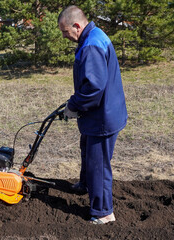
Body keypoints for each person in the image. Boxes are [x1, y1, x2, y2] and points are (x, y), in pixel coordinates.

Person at [58, 5, 128, 225]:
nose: (64, 36)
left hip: (102, 117)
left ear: (77, 26)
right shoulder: (94, 37)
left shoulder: (90, 46)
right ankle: (85, 185)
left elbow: (94, 89)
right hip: (102, 112)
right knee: (87, 150)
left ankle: (103, 212)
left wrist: (74, 105)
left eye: (65, 32)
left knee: (99, 165)